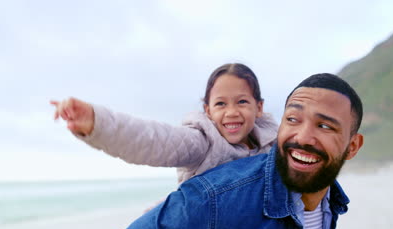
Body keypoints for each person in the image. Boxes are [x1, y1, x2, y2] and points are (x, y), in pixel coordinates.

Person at [117, 73, 364, 229]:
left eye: (325, 126)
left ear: (352, 146)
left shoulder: (331, 201)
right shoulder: (216, 197)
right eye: (292, 119)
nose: (302, 137)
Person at [51, 63, 278, 184]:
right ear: (207, 111)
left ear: (259, 107)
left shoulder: (273, 144)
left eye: (241, 102)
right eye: (220, 104)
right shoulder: (201, 141)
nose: (231, 112)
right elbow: (153, 140)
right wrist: (96, 122)